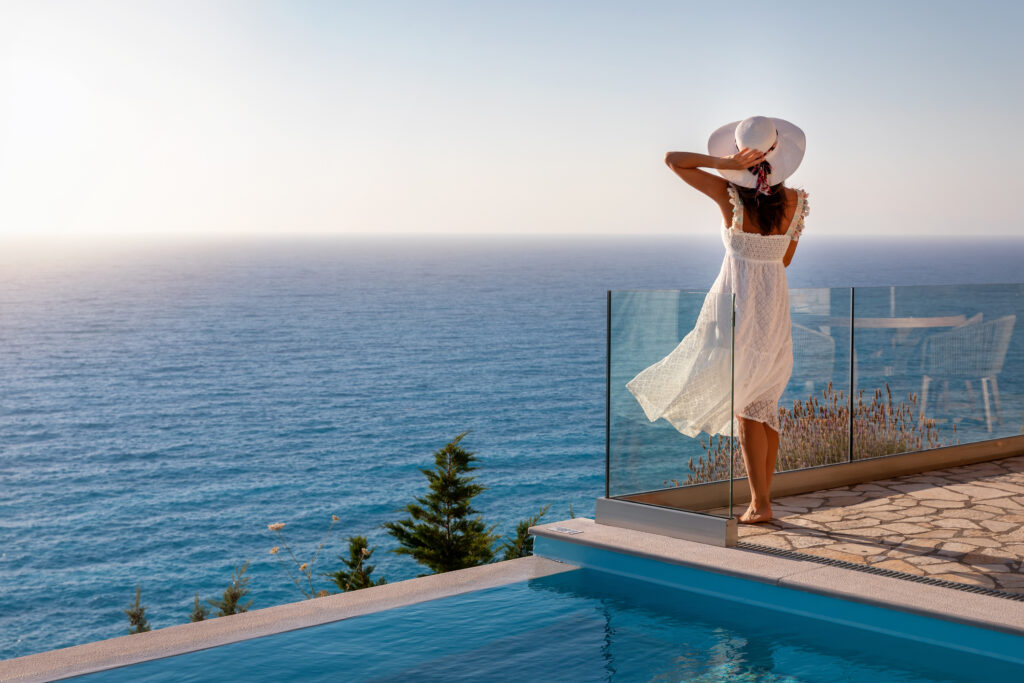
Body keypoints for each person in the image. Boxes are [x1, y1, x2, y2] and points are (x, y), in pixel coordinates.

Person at [626, 116, 809, 524]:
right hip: (774, 311)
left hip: (734, 310)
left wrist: (724, 162)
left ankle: (759, 505)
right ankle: (763, 500)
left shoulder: (729, 194)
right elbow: (785, 260)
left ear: (742, 156)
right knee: (764, 404)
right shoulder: (797, 200)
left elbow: (674, 160)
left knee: (746, 405)